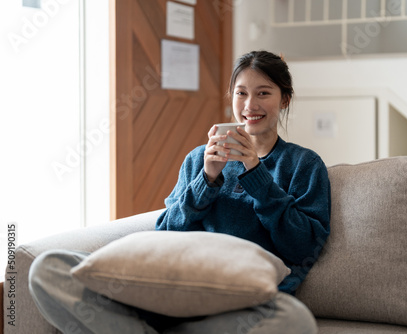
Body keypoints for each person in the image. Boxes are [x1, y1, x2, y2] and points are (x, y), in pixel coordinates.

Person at [29, 50, 331, 334]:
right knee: (49, 268)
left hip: (239, 306)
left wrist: (256, 174)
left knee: (295, 320)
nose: (250, 105)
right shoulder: (198, 160)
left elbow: (303, 248)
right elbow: (166, 232)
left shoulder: (304, 164)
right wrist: (207, 180)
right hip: (170, 291)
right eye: (241, 93)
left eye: (263, 93)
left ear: (285, 100)